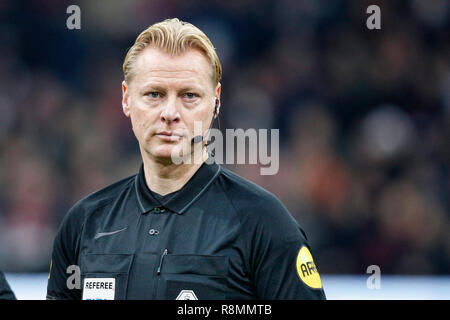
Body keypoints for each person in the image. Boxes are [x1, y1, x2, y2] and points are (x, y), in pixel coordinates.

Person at [46, 18, 326, 300]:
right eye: (154, 94)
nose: (170, 112)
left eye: (189, 95)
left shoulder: (264, 223)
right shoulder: (84, 223)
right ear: (126, 98)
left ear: (216, 102)